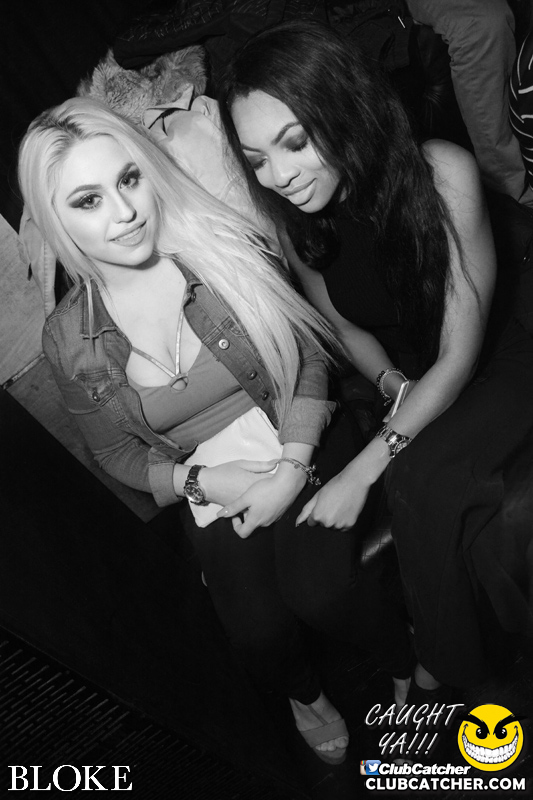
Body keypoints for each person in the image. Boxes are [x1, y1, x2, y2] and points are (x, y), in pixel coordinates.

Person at [18, 97, 415, 764]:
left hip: (297, 428)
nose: (126, 212)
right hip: (209, 477)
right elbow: (114, 453)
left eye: (129, 178)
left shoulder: (221, 246)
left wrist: (289, 469)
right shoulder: (67, 341)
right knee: (258, 635)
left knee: (325, 592)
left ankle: (405, 661)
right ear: (56, 219)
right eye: (87, 200)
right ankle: (306, 698)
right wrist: (200, 480)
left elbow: (307, 361)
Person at [217, 19, 533, 699]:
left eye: (294, 142)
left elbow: (458, 355)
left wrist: (361, 471)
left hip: (496, 354)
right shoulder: (298, 221)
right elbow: (344, 326)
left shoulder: (441, 173)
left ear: (344, 108)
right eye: (256, 159)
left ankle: (447, 675)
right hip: (414, 375)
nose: (278, 176)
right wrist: (390, 382)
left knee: (417, 479)